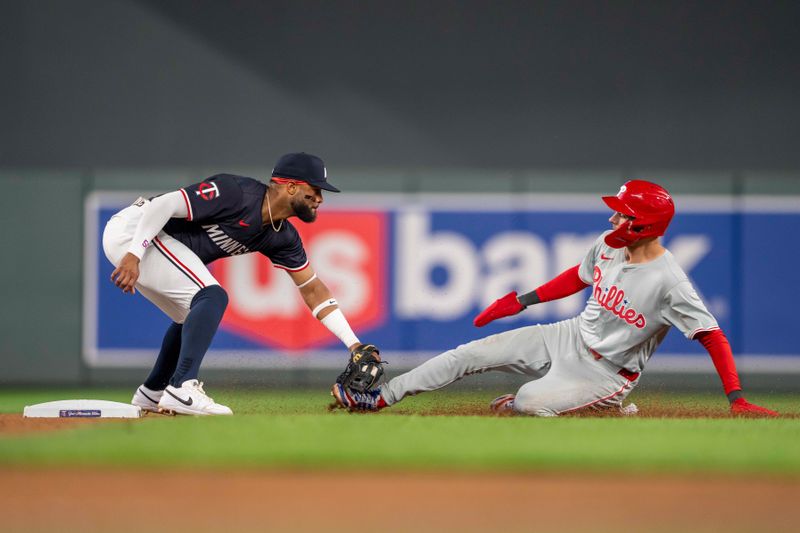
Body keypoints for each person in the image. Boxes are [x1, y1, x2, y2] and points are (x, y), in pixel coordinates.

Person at [330, 179, 778, 417]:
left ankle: (609, 410)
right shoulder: (609, 242)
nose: (613, 217)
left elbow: (712, 336)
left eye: (623, 214)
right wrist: (522, 300)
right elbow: (578, 277)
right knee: (466, 354)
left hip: (608, 371)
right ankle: (380, 398)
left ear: (644, 226)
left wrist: (736, 396)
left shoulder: (671, 282)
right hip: (566, 336)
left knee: (527, 402)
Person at [104, 152, 374, 415]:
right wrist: (135, 254)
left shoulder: (283, 237)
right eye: (314, 190)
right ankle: (182, 387)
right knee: (212, 296)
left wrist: (353, 344)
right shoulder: (236, 192)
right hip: (135, 231)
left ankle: (153, 392)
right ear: (291, 187)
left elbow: (313, 288)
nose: (319, 199)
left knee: (191, 315)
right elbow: (162, 205)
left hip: (152, 242)